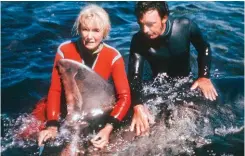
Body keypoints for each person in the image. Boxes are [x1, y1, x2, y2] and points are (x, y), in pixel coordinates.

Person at [35, 4, 131, 149]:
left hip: (93, 110)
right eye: (85, 29)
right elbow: (55, 90)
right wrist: (52, 125)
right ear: (79, 30)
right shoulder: (64, 50)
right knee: (26, 136)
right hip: (63, 106)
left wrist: (108, 128)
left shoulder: (113, 57)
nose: (89, 36)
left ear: (105, 32)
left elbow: (124, 97)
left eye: (96, 30)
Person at [128, 2, 218, 136]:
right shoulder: (138, 40)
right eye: (141, 24)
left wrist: (204, 76)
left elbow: (203, 47)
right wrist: (137, 105)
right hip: (157, 83)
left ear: (164, 18)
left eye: (150, 24)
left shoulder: (185, 26)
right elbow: (134, 76)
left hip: (184, 79)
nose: (145, 30)